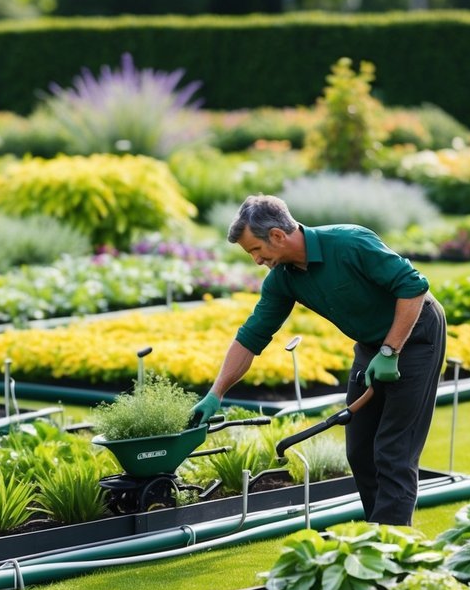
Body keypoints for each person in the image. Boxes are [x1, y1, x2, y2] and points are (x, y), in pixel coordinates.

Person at [188, 194, 445, 526]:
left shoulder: (350, 243)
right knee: (360, 452)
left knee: (394, 452)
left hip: (416, 334)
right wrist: (216, 393)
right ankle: (377, 536)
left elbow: (413, 287)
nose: (256, 260)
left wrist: (390, 351)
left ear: (277, 236)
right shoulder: (283, 279)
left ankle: (390, 546)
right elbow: (252, 336)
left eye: (256, 250)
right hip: (372, 346)